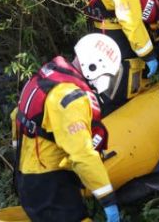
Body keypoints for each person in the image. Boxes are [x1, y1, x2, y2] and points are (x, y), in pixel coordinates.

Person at [14, 33, 122, 222]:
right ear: (94, 66)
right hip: (49, 185)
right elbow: (82, 154)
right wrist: (108, 199)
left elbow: (15, 118)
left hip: (27, 177)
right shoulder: (71, 99)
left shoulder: (47, 79)